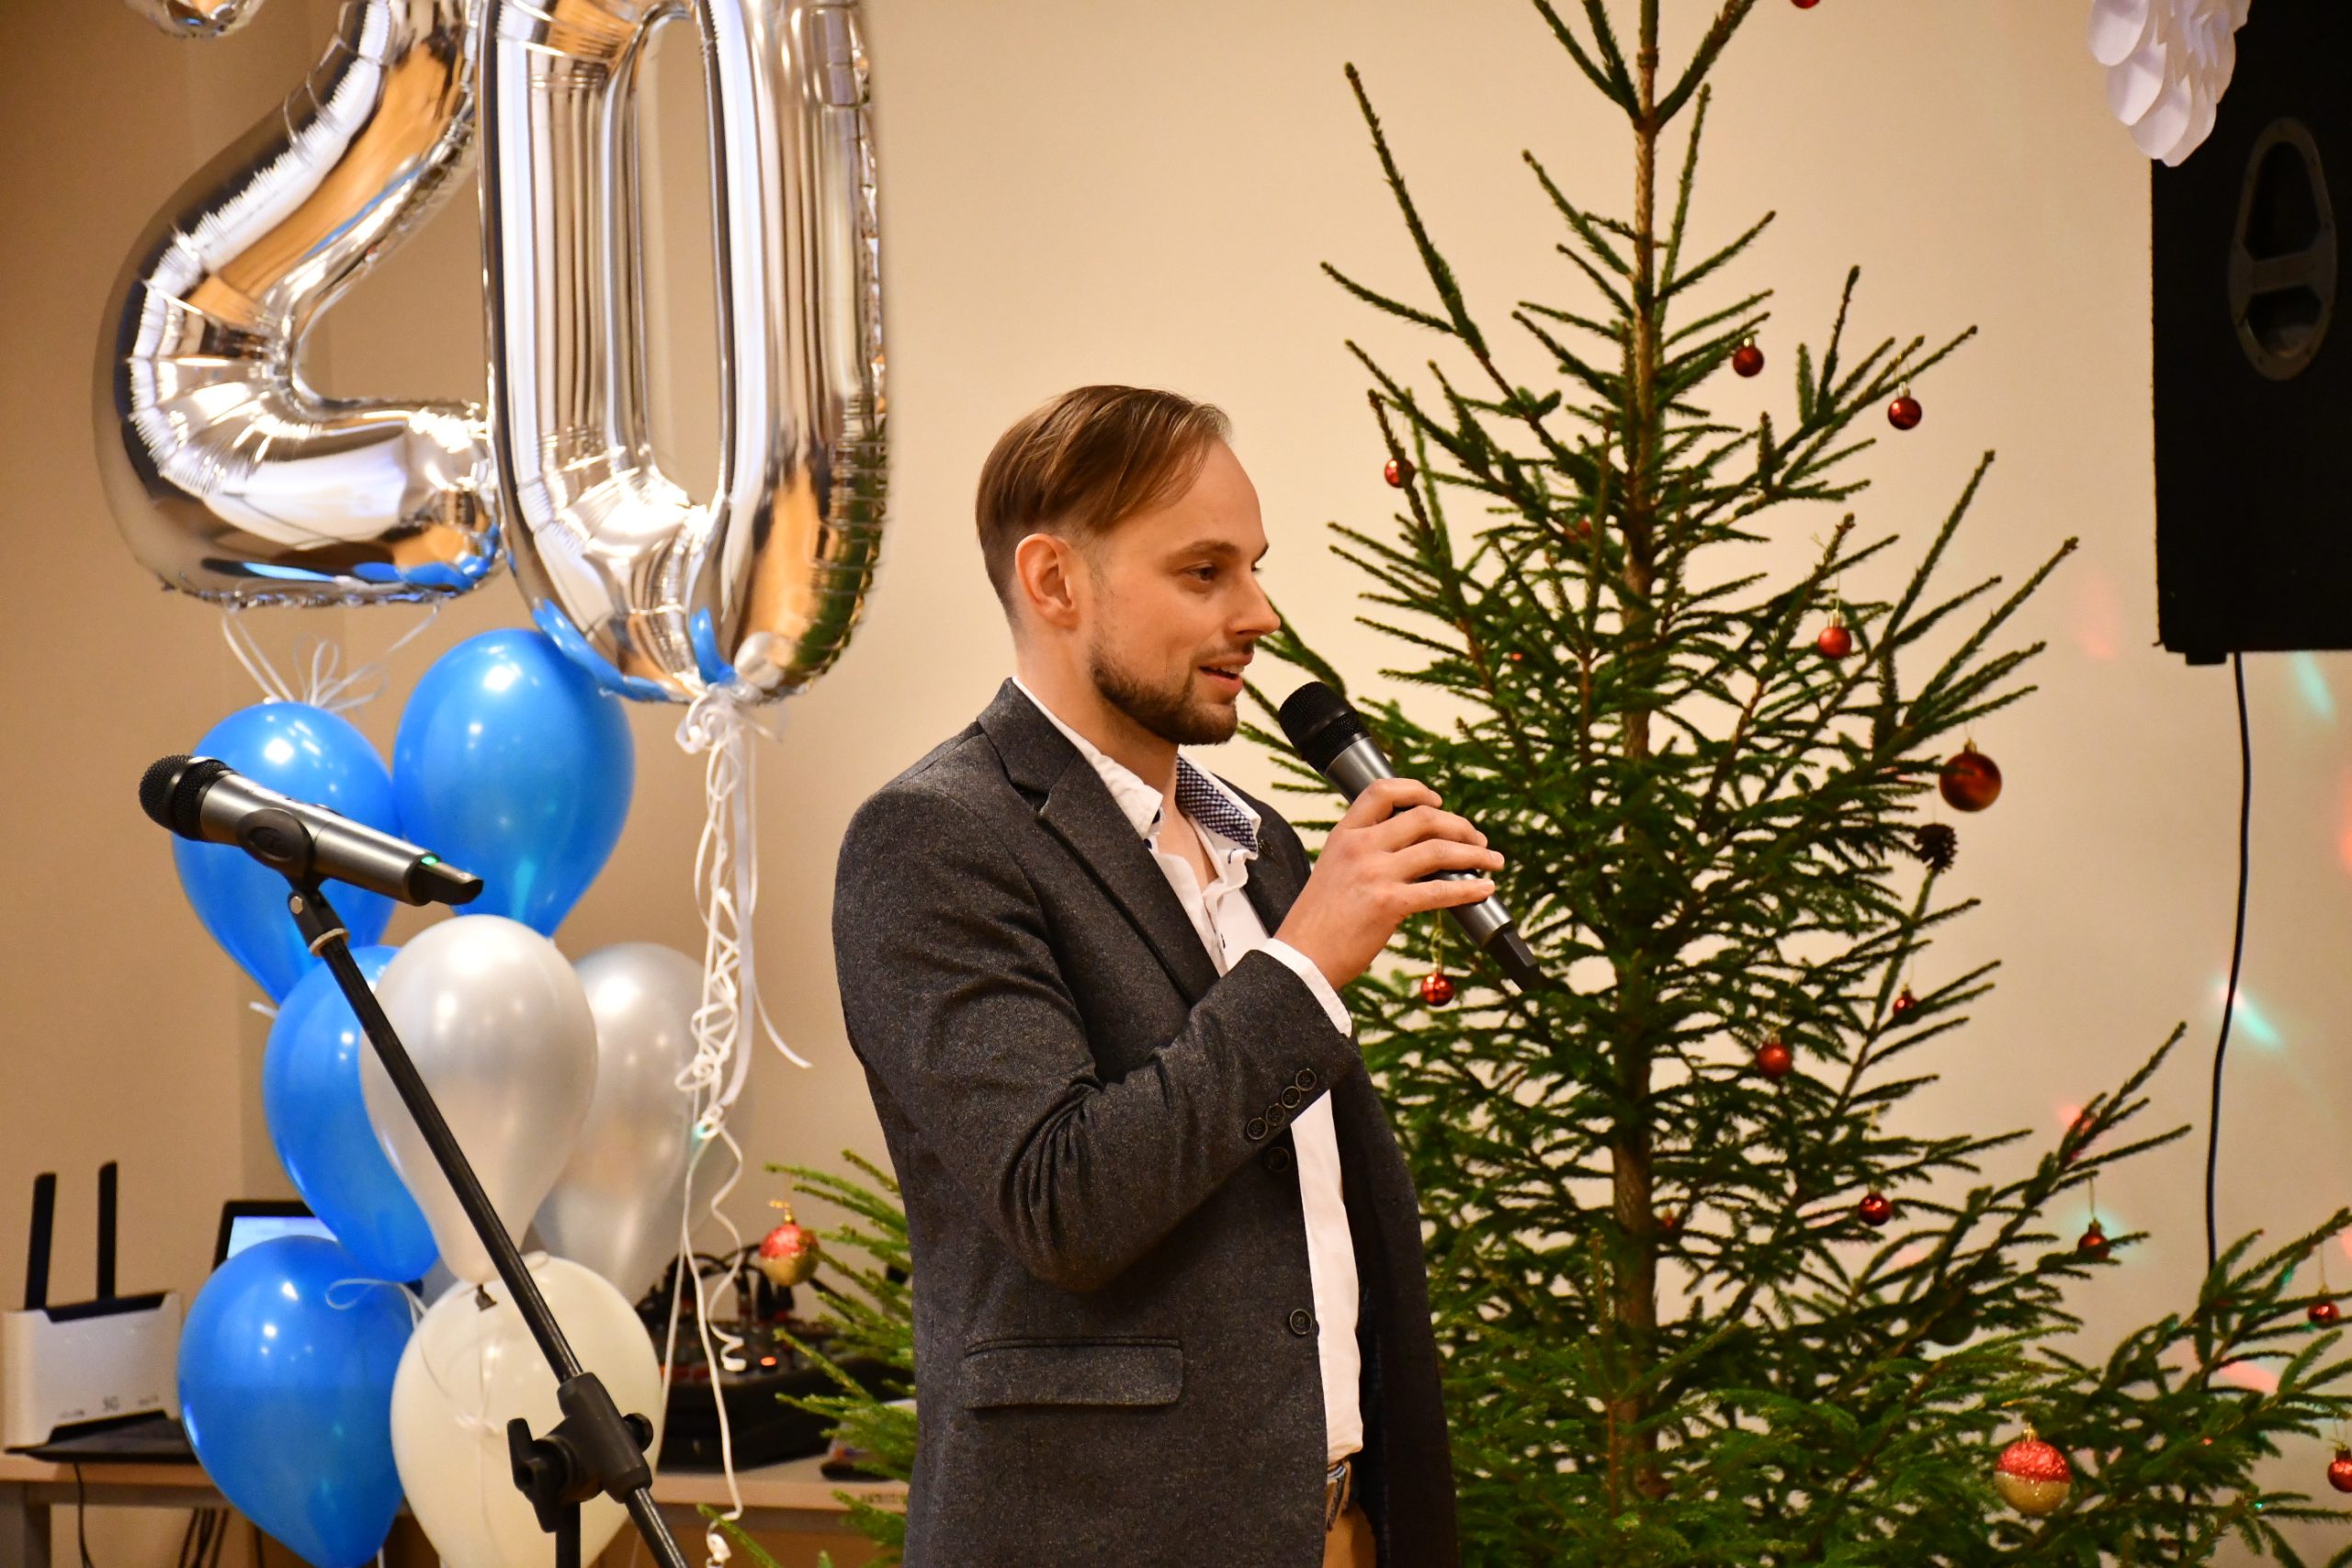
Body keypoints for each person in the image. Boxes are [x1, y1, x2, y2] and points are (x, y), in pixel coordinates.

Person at [831, 385, 1500, 1567]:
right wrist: (1305, 965)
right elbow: (1062, 1202)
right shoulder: (935, 840)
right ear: (1054, 581)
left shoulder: (1261, 844)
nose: (1259, 613)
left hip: (1338, 1525)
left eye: (1253, 568)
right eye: (1204, 573)